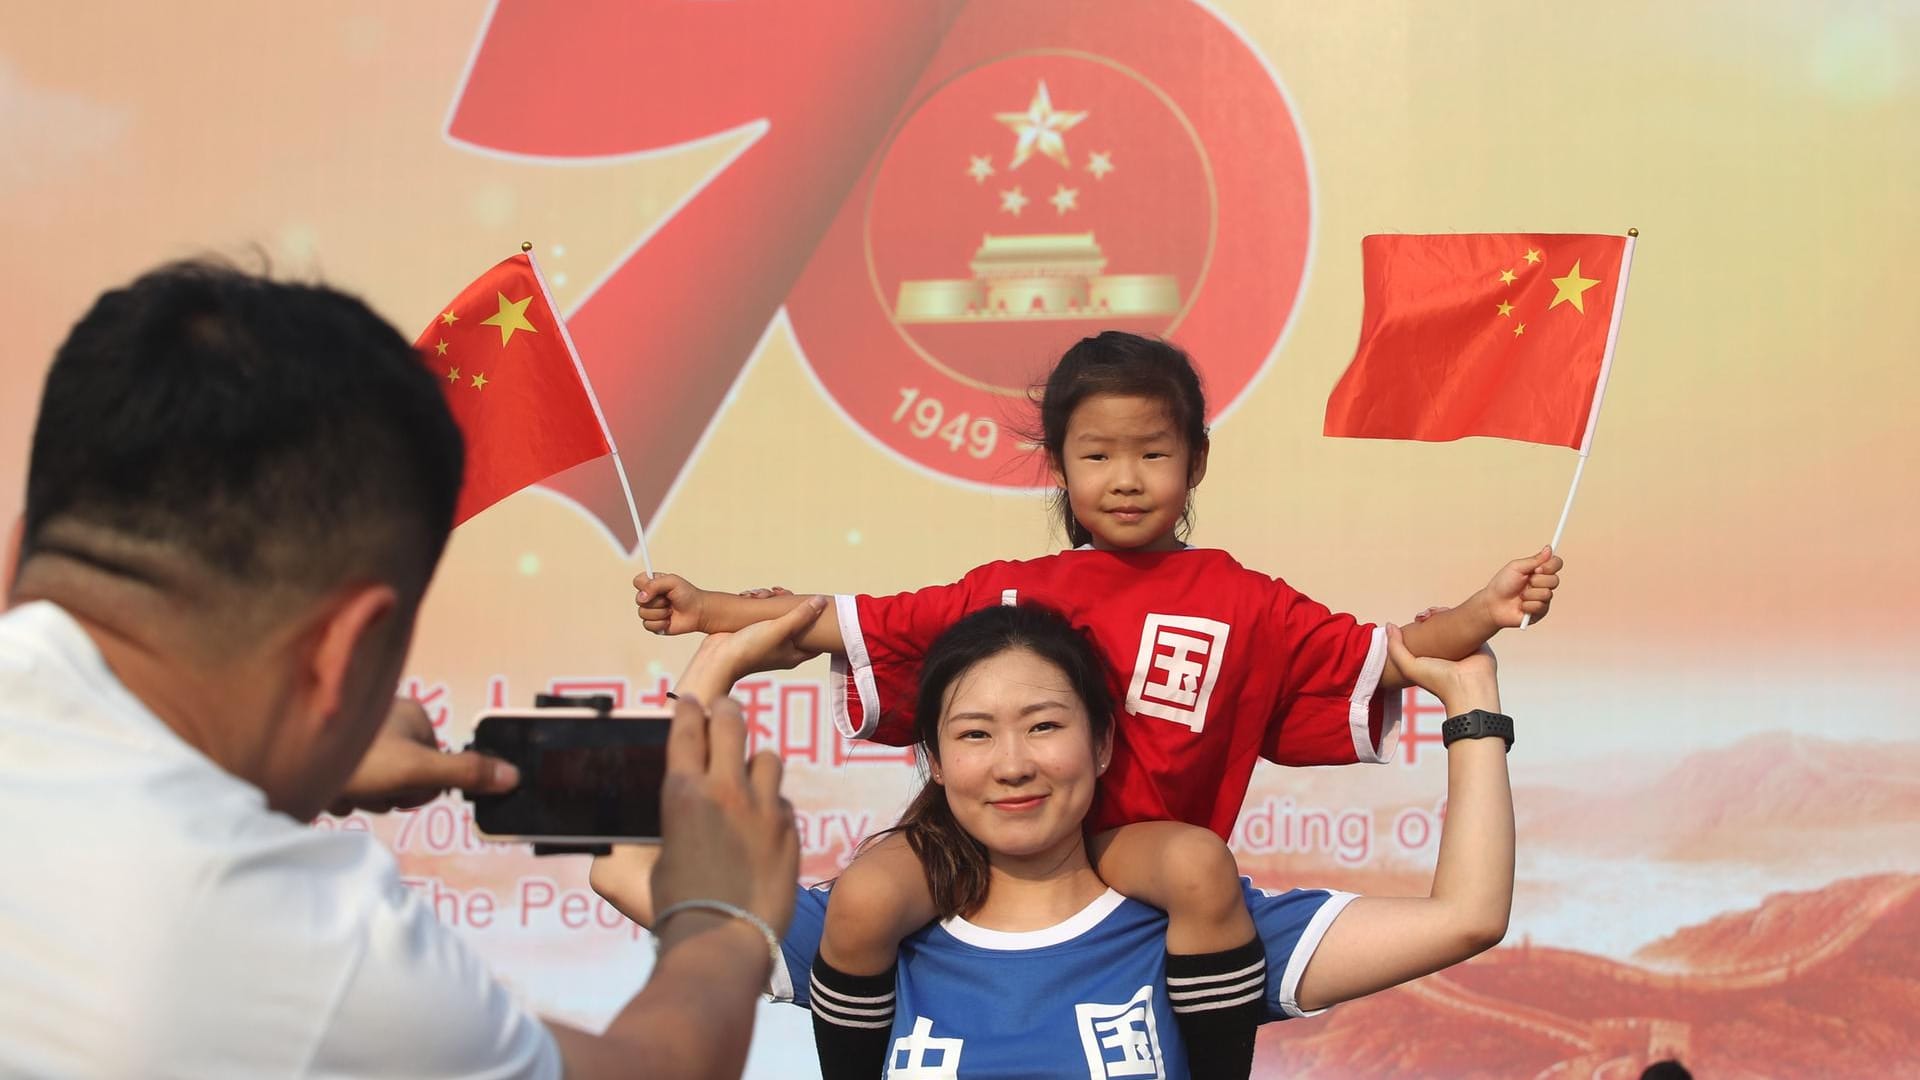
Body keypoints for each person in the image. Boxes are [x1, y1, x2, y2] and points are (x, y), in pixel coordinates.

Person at [631, 330, 1560, 1076]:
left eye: (1153, 452)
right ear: (1061, 467)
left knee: (1199, 865)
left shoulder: (1245, 601)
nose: (1125, 477)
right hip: (956, 856)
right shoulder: (1003, 594)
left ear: (1196, 462)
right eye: (1098, 455)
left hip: (1135, 850)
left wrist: (1483, 620)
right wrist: (710, 625)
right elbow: (831, 620)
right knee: (866, 898)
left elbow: (1392, 656)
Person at [0, 261, 799, 1078]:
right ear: (342, 655)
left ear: (16, 555)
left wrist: (302, 764)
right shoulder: (300, 946)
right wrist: (720, 922)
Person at [593, 601, 1516, 1079]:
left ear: (1102, 741)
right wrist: (714, 670)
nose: (1012, 765)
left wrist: (1472, 709)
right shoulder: (869, 929)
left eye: (1043, 726)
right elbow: (621, 861)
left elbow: (1468, 918)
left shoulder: (1194, 928)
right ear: (934, 759)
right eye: (974, 734)